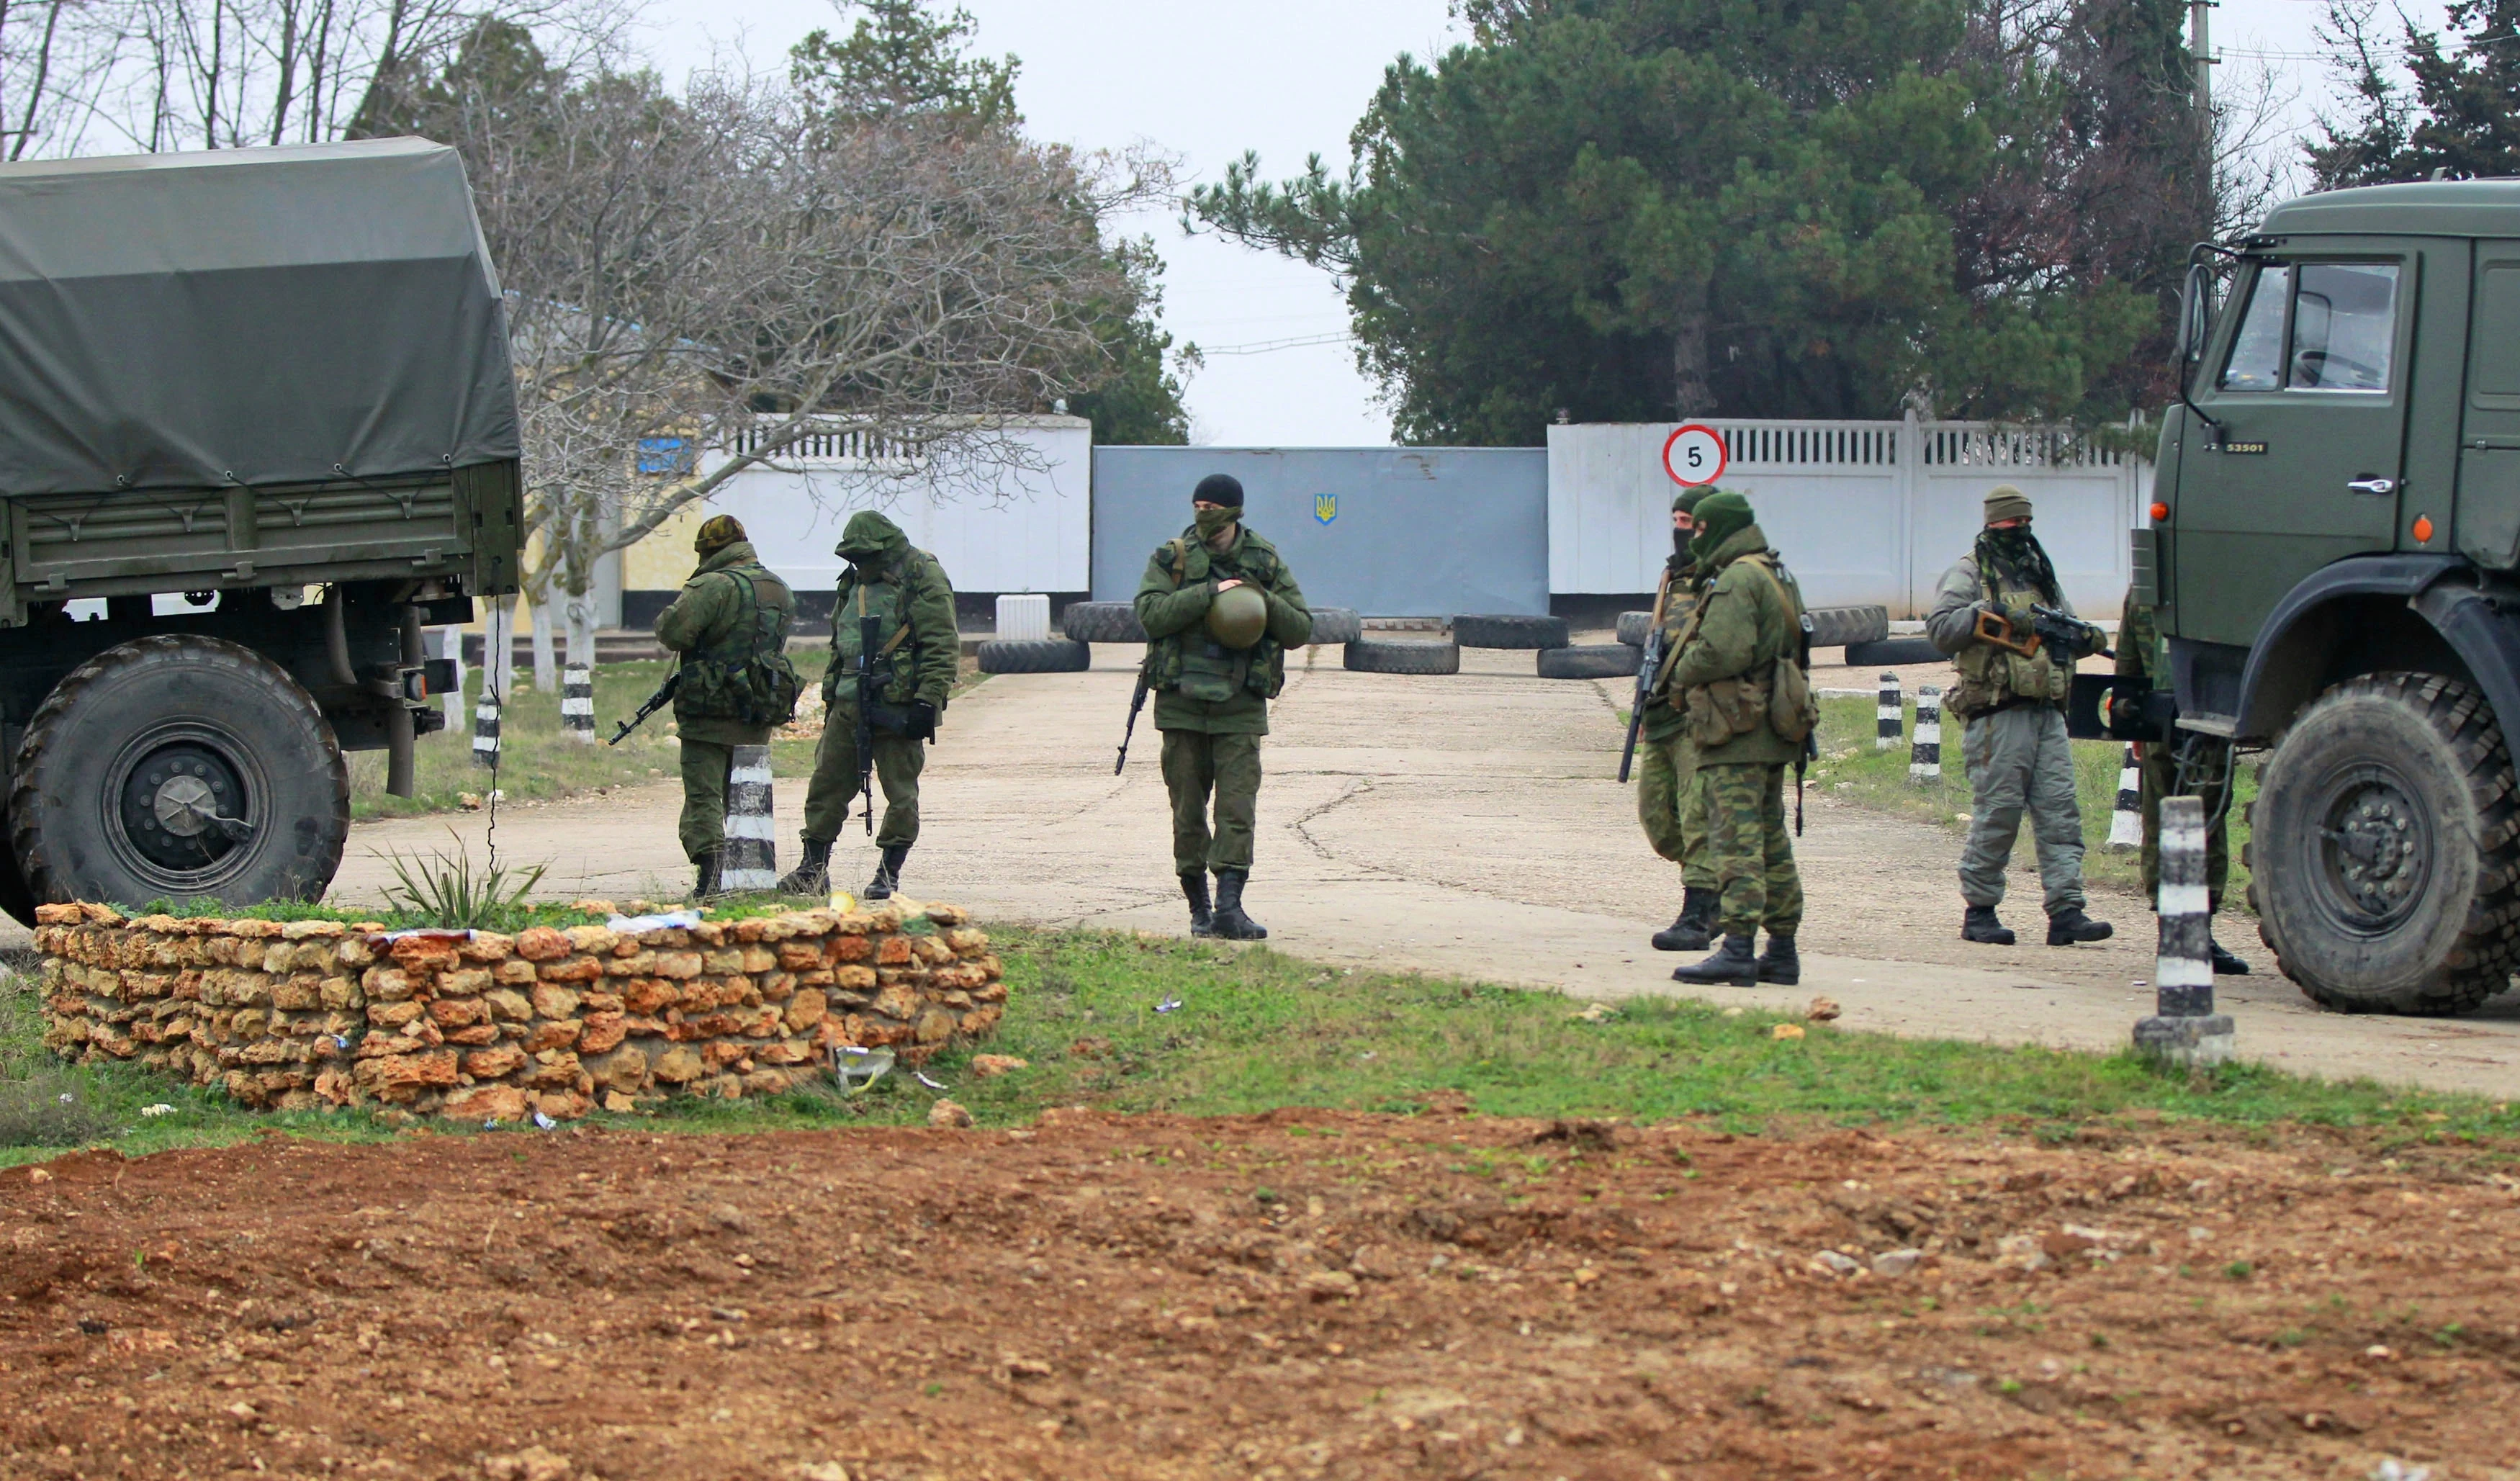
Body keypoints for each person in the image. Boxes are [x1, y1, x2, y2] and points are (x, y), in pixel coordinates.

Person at [1925, 485, 2113, 947]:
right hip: (1997, 714)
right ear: (1992, 524)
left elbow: (2064, 622)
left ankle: (2067, 911)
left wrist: (2084, 637)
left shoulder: (2039, 572)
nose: (2020, 531)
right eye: (2011, 524)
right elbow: (1940, 629)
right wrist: (1986, 612)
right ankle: (1981, 910)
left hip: (2046, 713)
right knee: (1999, 813)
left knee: (2060, 814)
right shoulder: (1970, 573)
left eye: (2025, 523)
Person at [1133, 472, 1313, 940]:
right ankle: (1199, 907)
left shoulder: (1263, 558)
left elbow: (1299, 629)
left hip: (1239, 704)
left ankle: (1231, 905)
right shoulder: (1172, 557)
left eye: (1213, 506)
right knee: (1187, 811)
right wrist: (1207, 593)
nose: (1204, 513)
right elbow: (1150, 615)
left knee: (1237, 809)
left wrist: (1256, 595)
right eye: (1199, 504)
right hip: (1182, 705)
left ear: (1233, 511)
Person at [1665, 490, 1812, 986]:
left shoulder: (1735, 579)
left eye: (1702, 529)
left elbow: (1721, 651)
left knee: (1736, 838)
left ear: (1724, 529)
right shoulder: (1777, 574)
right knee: (1771, 839)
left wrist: (1681, 671)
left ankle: (1738, 946)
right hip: (1773, 726)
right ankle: (1783, 948)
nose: (1694, 538)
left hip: (1736, 728)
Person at [777, 510, 958, 901]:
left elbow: (942, 643)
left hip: (899, 702)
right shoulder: (854, 580)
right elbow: (840, 641)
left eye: (865, 557)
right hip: (849, 699)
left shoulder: (921, 573)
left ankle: (888, 872)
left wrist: (927, 700)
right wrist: (830, 691)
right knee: (827, 783)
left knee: (901, 791)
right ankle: (813, 868)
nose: (860, 565)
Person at [652, 514, 801, 900]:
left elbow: (673, 632)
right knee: (748, 794)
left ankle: (710, 876)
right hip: (758, 707)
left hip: (709, 709)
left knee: (704, 795)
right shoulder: (777, 587)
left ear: (708, 551)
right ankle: (752, 878)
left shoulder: (711, 585)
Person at [2118, 592, 2249, 974]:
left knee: (2172, 820)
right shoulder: (2213, 584)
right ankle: (2189, 935)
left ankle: (2180, 934)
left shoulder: (2144, 589)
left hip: (2171, 715)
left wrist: (2134, 723)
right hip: (2201, 716)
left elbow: (2128, 661)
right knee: (2200, 821)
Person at [1639, 486, 1719, 950]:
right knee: (1657, 816)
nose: (1679, 530)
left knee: (1695, 813)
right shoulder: (1672, 577)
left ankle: (1699, 908)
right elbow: (1658, 641)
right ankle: (1720, 883)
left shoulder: (1723, 578)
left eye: (1687, 523)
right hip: (1662, 711)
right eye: (1676, 521)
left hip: (1699, 714)